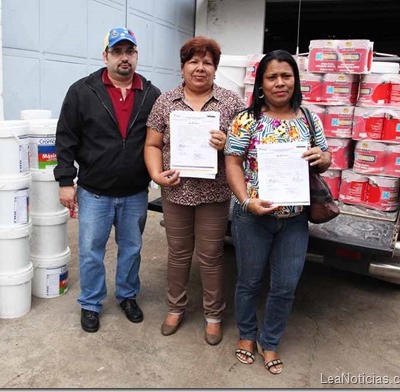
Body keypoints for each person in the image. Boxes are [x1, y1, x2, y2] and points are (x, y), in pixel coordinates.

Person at [224, 49, 332, 374]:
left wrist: (323, 159)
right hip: (253, 217)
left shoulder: (309, 118)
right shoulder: (247, 119)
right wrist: (246, 200)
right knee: (249, 281)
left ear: (296, 81)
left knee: (286, 285)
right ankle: (246, 334)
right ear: (261, 83)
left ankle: (269, 341)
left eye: (286, 76)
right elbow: (232, 161)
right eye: (272, 77)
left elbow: (325, 158)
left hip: (295, 221)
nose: (279, 83)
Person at [54, 27, 161, 333]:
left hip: (134, 193)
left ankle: (127, 296)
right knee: (90, 251)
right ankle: (90, 303)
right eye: (117, 52)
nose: (124, 58)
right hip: (94, 192)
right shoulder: (82, 91)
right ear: (105, 56)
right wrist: (65, 181)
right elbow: (65, 139)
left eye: (129, 52)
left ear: (136, 56)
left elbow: (162, 138)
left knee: (131, 249)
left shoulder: (151, 94)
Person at [144, 36, 245, 345]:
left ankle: (213, 315)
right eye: (194, 61)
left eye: (207, 62)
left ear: (215, 69)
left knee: (211, 255)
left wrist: (227, 142)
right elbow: (152, 143)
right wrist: (156, 175)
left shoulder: (231, 102)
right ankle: (175, 308)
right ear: (183, 66)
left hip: (214, 194)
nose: (200, 68)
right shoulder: (166, 101)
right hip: (176, 192)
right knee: (178, 253)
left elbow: (245, 147)